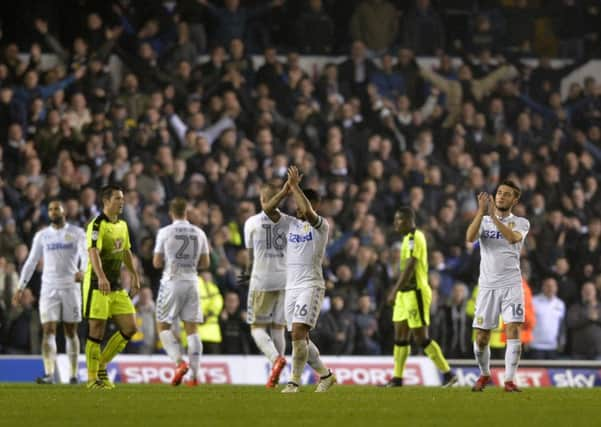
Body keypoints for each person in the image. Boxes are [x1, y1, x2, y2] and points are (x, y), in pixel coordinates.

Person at [264, 166, 336, 393]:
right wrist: (285, 191)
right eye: (295, 205)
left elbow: (306, 209)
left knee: (297, 333)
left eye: (300, 204)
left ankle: (294, 382)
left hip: (311, 285)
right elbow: (267, 209)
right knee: (300, 337)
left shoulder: (321, 226)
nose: (297, 209)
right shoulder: (290, 224)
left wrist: (295, 187)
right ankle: (326, 375)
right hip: (291, 286)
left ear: (315, 206)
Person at [13, 199, 87, 384]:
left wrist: (83, 271)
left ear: (64, 212)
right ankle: (49, 373)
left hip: (71, 286)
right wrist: (21, 287)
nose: (53, 212)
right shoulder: (42, 236)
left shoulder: (77, 233)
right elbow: (31, 261)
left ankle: (72, 374)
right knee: (48, 330)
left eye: (57, 209)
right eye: (51, 209)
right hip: (49, 287)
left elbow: (86, 255)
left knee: (71, 331)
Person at [465, 181, 530, 392]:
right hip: (487, 286)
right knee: (482, 337)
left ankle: (509, 380)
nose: (501, 196)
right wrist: (481, 212)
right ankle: (484, 375)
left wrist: (493, 217)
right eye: (499, 193)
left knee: (513, 329)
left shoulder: (521, 222)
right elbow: (469, 238)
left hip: (512, 284)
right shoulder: (483, 221)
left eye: (506, 194)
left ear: (515, 200)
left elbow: (512, 238)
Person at [385, 207, 456, 387]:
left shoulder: (416, 237)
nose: (395, 224)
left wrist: (394, 290)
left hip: (416, 292)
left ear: (408, 220)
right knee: (400, 335)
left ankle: (448, 373)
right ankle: (397, 378)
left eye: (398, 220)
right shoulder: (406, 239)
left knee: (421, 338)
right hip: (404, 294)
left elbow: (411, 265)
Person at [83, 185, 141, 389]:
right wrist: (100, 277)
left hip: (116, 286)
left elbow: (126, 251)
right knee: (96, 330)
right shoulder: (97, 224)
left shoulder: (123, 225)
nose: (122, 202)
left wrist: (134, 275)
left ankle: (101, 364)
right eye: (117, 198)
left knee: (130, 328)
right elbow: (93, 252)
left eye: (122, 198)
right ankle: (92, 379)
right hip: (97, 285)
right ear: (106, 201)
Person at [153, 197, 210, 386]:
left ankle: (179, 362)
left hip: (171, 281)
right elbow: (206, 263)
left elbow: (157, 262)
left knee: (162, 326)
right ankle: (194, 377)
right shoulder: (199, 233)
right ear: (187, 212)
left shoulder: (165, 232)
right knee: (192, 330)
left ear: (171, 213)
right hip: (192, 282)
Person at [242, 183, 288, 388]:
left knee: (257, 327)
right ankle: (278, 373)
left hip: (262, 279)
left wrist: (246, 273)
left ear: (262, 200)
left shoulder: (252, 222)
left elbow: (250, 257)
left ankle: (275, 359)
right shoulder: (289, 222)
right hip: (286, 280)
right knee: (279, 327)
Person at [529, 277, 565, 359]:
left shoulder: (560, 304)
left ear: (556, 288)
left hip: (553, 347)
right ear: (543, 287)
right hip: (536, 346)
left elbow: (562, 326)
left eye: (553, 286)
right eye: (548, 286)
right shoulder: (533, 301)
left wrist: (561, 342)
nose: (550, 288)